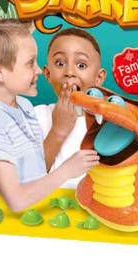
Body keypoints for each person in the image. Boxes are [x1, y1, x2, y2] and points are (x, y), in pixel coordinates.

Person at [0, 18, 98, 211]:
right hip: (1, 213)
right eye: (30, 63)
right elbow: (18, 197)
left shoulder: (24, 106)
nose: (38, 70)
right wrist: (60, 140)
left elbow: (33, 173)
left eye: (81, 65)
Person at [33, 27, 106, 188]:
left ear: (99, 77)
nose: (70, 72)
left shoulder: (108, 122)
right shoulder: (37, 116)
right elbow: (27, 178)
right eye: (60, 63)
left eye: (81, 65)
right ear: (47, 74)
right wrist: (58, 131)